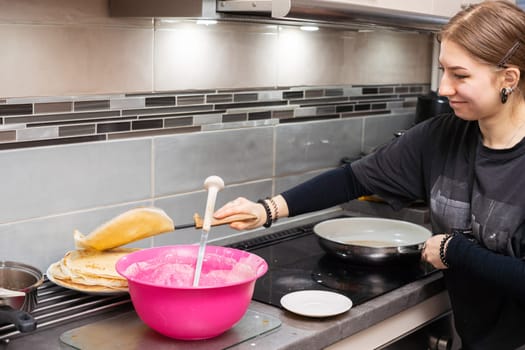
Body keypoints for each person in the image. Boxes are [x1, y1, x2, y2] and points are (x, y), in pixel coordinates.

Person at [214, 1, 525, 349]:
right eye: (443, 70)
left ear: (508, 78)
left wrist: (456, 251)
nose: (443, 88)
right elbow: (354, 179)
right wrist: (266, 210)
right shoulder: (442, 136)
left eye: (460, 75)